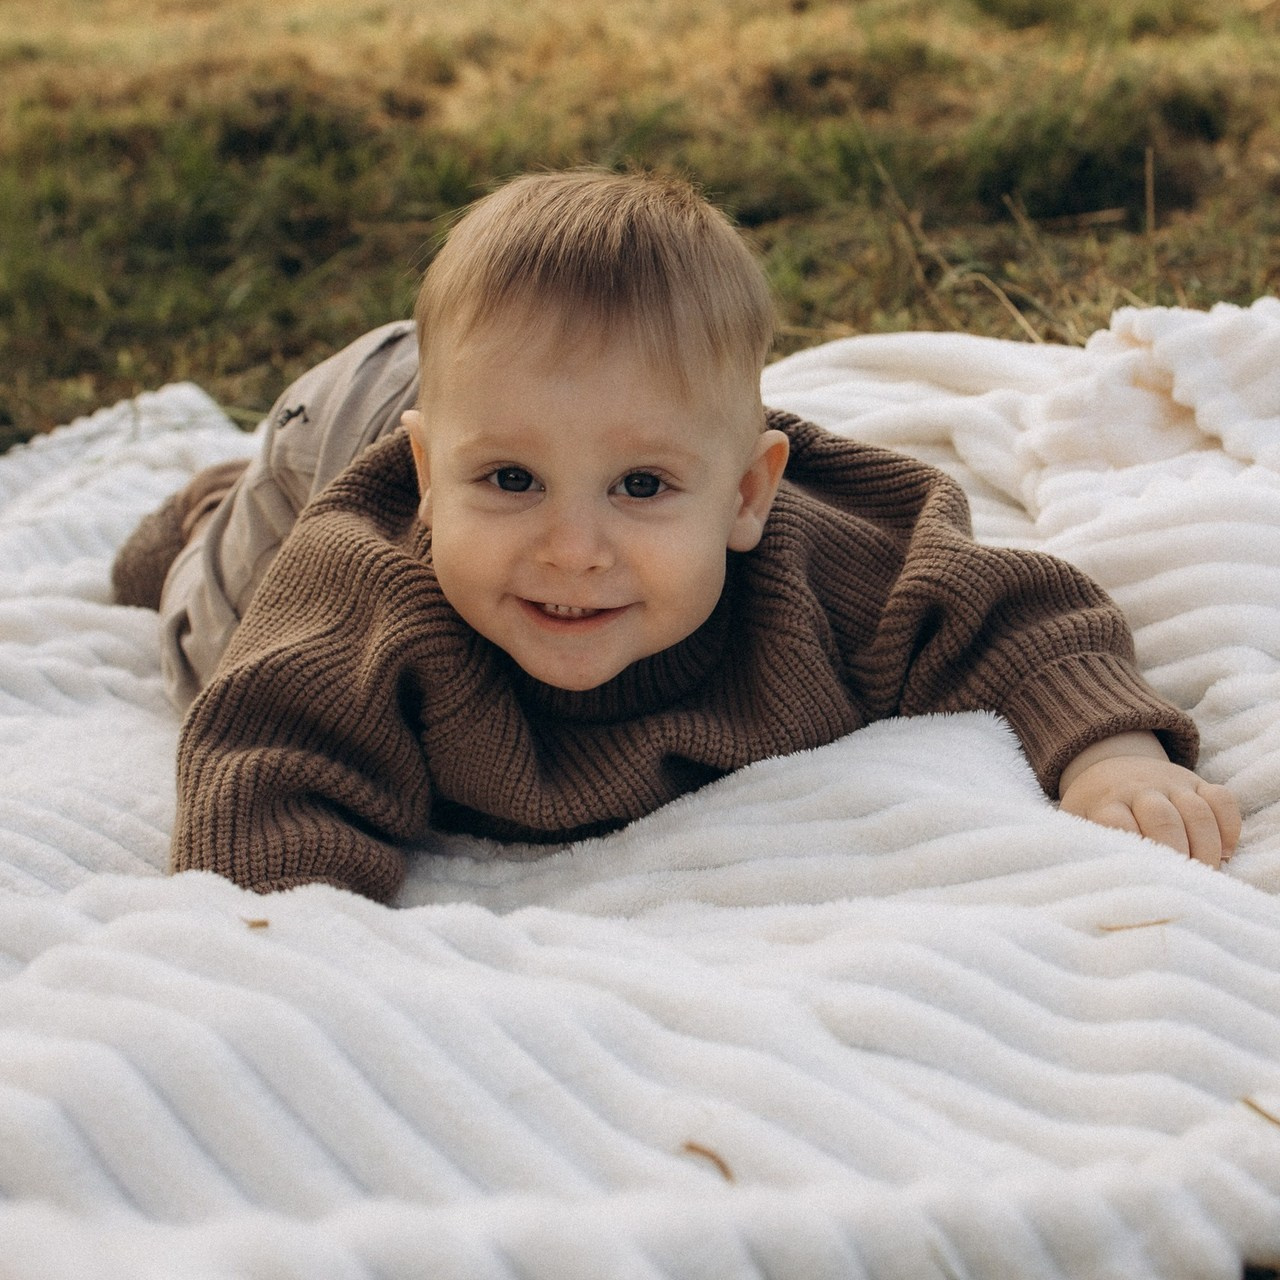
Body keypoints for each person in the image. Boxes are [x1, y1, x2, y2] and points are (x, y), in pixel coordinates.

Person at [112, 169, 1240, 903]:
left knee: (564, 433)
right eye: (514, 482)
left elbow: (1011, 615)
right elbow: (266, 763)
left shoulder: (804, 564)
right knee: (208, 632)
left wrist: (1106, 752)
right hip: (344, 424)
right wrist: (295, 943)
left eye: (640, 486)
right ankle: (208, 510)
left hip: (485, 389)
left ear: (748, 495)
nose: (571, 546)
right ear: (427, 478)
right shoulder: (361, 592)